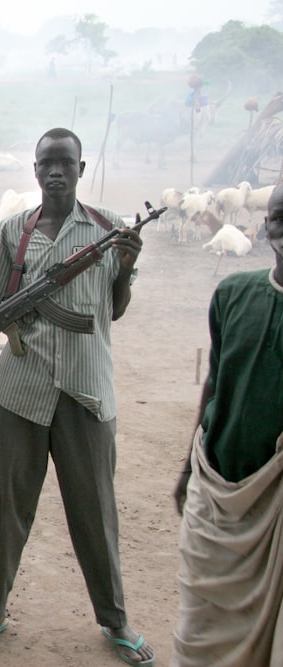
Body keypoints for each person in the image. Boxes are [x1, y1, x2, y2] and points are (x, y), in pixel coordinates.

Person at [0, 127, 154, 665]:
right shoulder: (14, 232)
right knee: (6, 508)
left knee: (95, 512)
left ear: (81, 169)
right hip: (20, 391)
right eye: (46, 163)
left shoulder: (108, 231)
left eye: (66, 164)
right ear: (34, 170)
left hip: (85, 393)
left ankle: (115, 619)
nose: (55, 172)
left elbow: (114, 309)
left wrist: (124, 266)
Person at [170, 183, 283, 667]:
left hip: (275, 509)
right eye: (280, 216)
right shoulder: (234, 294)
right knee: (201, 635)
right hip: (217, 493)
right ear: (265, 224)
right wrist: (188, 471)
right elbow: (215, 382)